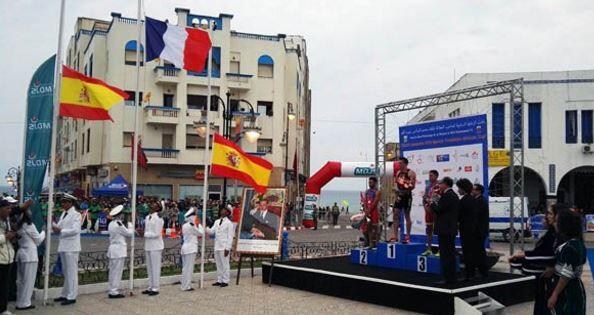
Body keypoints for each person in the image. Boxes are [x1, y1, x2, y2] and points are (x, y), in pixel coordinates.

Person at [510, 203, 565, 315]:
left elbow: (551, 258)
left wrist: (523, 256)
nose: (546, 217)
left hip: (552, 285)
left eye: (550, 213)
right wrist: (519, 260)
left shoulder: (561, 237)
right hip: (542, 284)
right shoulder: (551, 234)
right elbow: (541, 254)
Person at [547, 209, 587, 314]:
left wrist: (554, 294)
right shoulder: (570, 243)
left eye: (556, 221)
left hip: (568, 290)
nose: (554, 224)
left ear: (564, 225)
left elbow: (566, 274)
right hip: (565, 288)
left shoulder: (572, 246)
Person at [52, 193, 82, 305]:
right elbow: (59, 227)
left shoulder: (76, 215)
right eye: (62, 202)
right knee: (66, 271)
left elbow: (75, 230)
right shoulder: (64, 213)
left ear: (70, 203)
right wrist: (52, 223)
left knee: (72, 272)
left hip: (72, 247)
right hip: (64, 246)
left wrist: (61, 231)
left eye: (65, 202)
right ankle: (65, 294)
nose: (62, 204)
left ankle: (72, 296)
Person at [15, 205, 45, 310]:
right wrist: (44, 232)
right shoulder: (29, 225)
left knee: (20, 280)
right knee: (28, 281)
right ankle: (24, 303)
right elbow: (38, 240)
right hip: (30, 255)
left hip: (21, 254)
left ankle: (20, 301)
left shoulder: (18, 225)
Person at [431, 177, 459, 284]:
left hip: (445, 229)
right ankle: (450, 277)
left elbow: (438, 209)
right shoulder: (449, 195)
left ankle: (448, 278)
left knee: (446, 254)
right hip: (448, 229)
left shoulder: (449, 195)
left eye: (440, 183)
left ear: (446, 184)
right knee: (448, 254)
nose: (439, 186)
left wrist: (433, 202)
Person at [106, 205, 134, 299]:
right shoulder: (118, 224)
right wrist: (130, 226)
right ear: (119, 215)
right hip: (118, 250)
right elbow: (129, 233)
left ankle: (112, 289)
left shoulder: (111, 223)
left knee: (113, 271)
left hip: (113, 249)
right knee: (117, 272)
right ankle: (114, 291)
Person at [456, 178, 479, 281]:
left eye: (459, 188)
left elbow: (459, 215)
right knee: (471, 251)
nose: (458, 190)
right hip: (472, 228)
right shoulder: (472, 199)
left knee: (467, 252)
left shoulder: (465, 200)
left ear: (463, 189)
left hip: (466, 229)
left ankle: (469, 274)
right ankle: (471, 273)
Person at [206, 206, 234, 287]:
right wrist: (206, 226)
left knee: (225, 264)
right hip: (217, 246)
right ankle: (219, 279)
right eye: (222, 210)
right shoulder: (217, 221)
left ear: (228, 213)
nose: (222, 211)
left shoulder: (229, 223)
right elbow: (212, 232)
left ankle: (225, 280)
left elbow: (230, 237)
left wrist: (228, 248)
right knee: (218, 264)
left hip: (224, 246)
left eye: (225, 210)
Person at [141, 200, 164, 296]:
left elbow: (156, 233)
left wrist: (144, 234)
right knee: (149, 268)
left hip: (156, 245)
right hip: (148, 245)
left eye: (154, 204)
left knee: (155, 267)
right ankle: (150, 286)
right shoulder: (147, 217)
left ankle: (155, 288)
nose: (151, 205)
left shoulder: (159, 218)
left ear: (158, 208)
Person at [393, 157, 416, 244]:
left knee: (407, 215)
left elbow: (412, 186)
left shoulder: (410, 173)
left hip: (407, 196)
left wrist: (404, 191)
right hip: (399, 196)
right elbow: (396, 184)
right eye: (399, 163)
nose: (399, 165)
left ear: (405, 164)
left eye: (401, 163)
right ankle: (395, 236)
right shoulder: (398, 172)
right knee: (395, 214)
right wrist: (396, 192)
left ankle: (408, 236)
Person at [180, 207, 204, 291]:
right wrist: (199, 224)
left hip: (185, 248)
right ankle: (186, 286)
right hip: (190, 249)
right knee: (188, 269)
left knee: (185, 268)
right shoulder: (191, 226)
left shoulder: (184, 225)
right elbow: (201, 233)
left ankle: (184, 285)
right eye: (195, 216)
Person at [0, 198, 16, 315]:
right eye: (7, 208)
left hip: (8, 258)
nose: (9, 210)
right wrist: (6, 237)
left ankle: (3, 309)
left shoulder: (6, 221)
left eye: (10, 208)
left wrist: (12, 236)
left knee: (5, 286)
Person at [471, 183, 489, 277]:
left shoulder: (480, 201)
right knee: (477, 251)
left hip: (479, 231)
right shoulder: (477, 200)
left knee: (480, 251)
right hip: (477, 231)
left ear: (478, 191)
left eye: (474, 189)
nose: (472, 191)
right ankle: (480, 270)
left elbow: (476, 216)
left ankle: (483, 271)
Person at [422, 170, 439, 256]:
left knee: (439, 230)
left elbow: (438, 199)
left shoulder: (439, 186)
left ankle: (440, 250)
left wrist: (433, 208)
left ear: (436, 176)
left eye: (431, 175)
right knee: (429, 230)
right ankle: (429, 249)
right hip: (428, 211)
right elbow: (425, 197)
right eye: (429, 175)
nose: (429, 177)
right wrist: (425, 207)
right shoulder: (428, 186)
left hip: (436, 211)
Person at [362, 177, 381, 249]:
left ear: (375, 183)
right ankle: (370, 243)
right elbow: (365, 201)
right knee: (368, 228)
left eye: (371, 182)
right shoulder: (367, 191)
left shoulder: (377, 192)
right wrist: (365, 210)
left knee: (375, 227)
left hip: (374, 212)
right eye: (369, 182)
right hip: (367, 211)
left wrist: (369, 211)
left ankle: (376, 243)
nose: (370, 184)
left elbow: (375, 203)